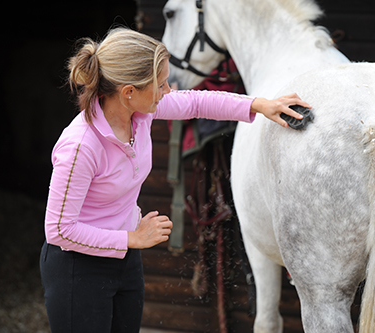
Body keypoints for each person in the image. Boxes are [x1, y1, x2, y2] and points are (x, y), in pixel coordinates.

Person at [39, 26, 310, 333]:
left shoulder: (139, 113)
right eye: (161, 84)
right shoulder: (80, 146)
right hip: (79, 268)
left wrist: (259, 105)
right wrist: (131, 239)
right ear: (129, 92)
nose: (168, 90)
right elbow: (59, 229)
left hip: (125, 259)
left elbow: (197, 103)